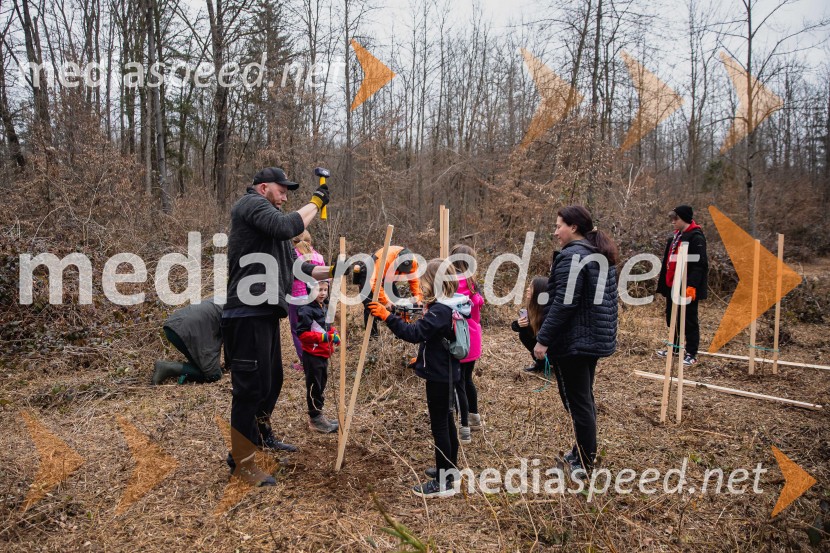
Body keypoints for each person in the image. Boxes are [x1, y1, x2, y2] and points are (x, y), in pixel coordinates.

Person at [222, 166, 336, 487]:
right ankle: (241, 461)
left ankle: (261, 436)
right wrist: (316, 201)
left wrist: (337, 270)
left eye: (288, 192)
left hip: (265, 313)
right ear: (263, 188)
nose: (285, 196)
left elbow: (300, 267)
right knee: (250, 388)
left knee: (272, 381)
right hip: (245, 312)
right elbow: (288, 225)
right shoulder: (251, 205)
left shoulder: (271, 230)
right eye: (281, 190)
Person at [367, 259, 468, 499]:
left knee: (440, 426)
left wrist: (387, 317)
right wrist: (422, 359)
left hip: (440, 377)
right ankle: (450, 470)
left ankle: (443, 482)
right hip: (445, 372)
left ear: (434, 282)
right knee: (447, 422)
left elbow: (414, 333)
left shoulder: (440, 311)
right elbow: (429, 330)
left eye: (423, 281)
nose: (420, 286)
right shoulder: (445, 305)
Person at [533, 205, 618, 475]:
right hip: (590, 338)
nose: (555, 231)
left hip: (576, 340)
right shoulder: (596, 253)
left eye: (559, 226)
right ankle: (581, 450)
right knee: (584, 398)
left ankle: (584, 463)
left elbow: (563, 304)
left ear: (574, 227)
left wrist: (543, 339)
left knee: (578, 401)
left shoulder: (573, 257)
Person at [656, 205, 708, 366]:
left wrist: (692, 285)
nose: (673, 222)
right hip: (673, 283)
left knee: (689, 319)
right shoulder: (675, 237)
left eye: (675, 218)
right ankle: (675, 347)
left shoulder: (696, 237)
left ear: (684, 219)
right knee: (672, 316)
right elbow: (667, 261)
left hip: (687, 285)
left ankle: (691, 352)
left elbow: (700, 265)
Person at [449, 244, 485, 443]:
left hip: (460, 338)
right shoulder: (472, 283)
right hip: (474, 336)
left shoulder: (451, 283)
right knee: (467, 379)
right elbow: (477, 312)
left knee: (459, 383)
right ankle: (474, 418)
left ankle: (464, 428)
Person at [296, 280, 341, 433]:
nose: (322, 293)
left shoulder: (323, 307)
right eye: (319, 290)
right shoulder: (306, 310)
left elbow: (326, 326)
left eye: (325, 290)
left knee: (321, 384)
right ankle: (315, 418)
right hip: (312, 355)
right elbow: (302, 334)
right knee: (314, 386)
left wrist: (334, 334)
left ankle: (319, 414)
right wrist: (324, 338)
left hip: (323, 353)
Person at [152, 298, 223, 385]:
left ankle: (174, 368)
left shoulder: (224, 300)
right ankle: (167, 368)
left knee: (203, 366)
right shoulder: (234, 312)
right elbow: (232, 343)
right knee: (213, 375)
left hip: (173, 325)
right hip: (186, 331)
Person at [361, 246, 423, 337]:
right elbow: (374, 282)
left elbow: (414, 280)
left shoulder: (412, 261)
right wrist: (385, 301)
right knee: (371, 305)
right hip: (370, 275)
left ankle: (401, 333)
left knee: (399, 305)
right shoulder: (385, 260)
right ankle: (372, 337)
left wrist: (418, 298)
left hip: (387, 277)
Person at [289, 231, 325, 372]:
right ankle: (318, 357)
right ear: (310, 240)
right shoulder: (319, 257)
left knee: (298, 330)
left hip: (296, 297)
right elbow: (325, 279)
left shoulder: (292, 256)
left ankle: (305, 362)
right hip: (315, 297)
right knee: (314, 328)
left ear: (293, 242)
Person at [511, 276, 549, 373]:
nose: (527, 289)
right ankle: (540, 363)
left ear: (539, 291)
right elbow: (515, 327)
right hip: (542, 343)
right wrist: (518, 324)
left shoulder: (549, 310)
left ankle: (553, 363)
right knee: (523, 333)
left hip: (553, 346)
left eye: (531, 287)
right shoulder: (533, 306)